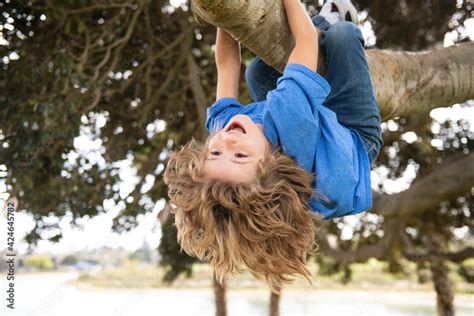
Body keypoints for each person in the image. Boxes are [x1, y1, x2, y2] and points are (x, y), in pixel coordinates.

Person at [164, 0, 383, 294]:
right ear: (273, 164)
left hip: (310, 131)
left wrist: (223, 14)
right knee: (341, 36)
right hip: (353, 136)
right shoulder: (289, 120)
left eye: (215, 153)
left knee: (256, 72)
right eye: (239, 155)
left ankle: (309, 83)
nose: (227, 141)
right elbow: (305, 41)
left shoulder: (225, 129)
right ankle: (330, 19)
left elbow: (226, 64)